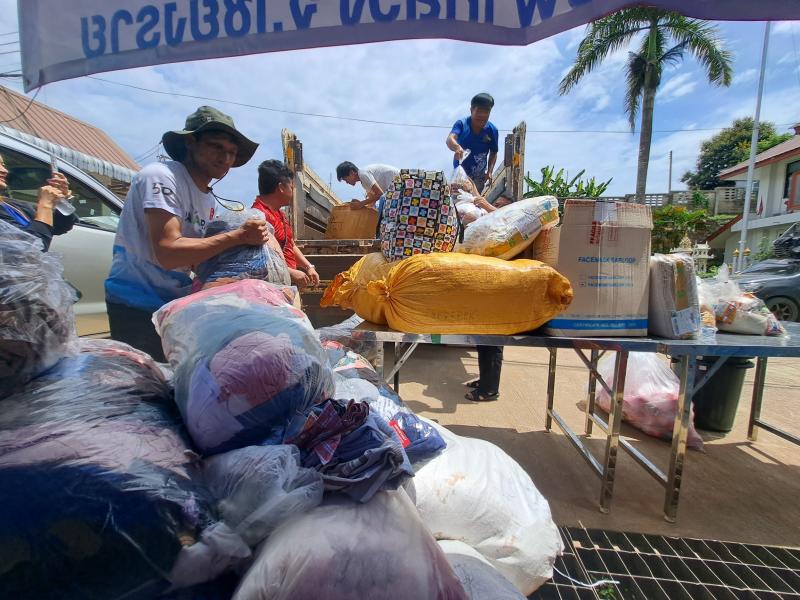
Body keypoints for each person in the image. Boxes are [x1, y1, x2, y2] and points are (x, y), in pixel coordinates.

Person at [105, 106, 268, 361]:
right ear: (191, 142)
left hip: (173, 307)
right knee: (147, 381)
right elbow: (169, 252)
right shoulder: (161, 177)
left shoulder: (208, 199)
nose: (225, 158)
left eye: (231, 152)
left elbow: (197, 258)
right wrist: (238, 237)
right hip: (136, 305)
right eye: (216, 147)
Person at [252, 159, 320, 288]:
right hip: (270, 288)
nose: (293, 191)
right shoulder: (258, 217)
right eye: (291, 187)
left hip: (284, 283)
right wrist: (291, 273)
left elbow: (290, 244)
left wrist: (309, 266)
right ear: (281, 188)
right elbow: (258, 260)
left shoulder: (280, 214)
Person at [0, 153, 75, 251]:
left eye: (3, 165)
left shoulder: (8, 204)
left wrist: (61, 200)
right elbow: (33, 248)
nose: (4, 170)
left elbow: (58, 226)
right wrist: (45, 205)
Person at [446, 93, 499, 194]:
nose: (482, 115)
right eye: (479, 111)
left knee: (475, 200)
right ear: (471, 110)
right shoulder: (462, 124)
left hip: (479, 178)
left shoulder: (492, 130)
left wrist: (490, 171)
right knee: (460, 199)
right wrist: (457, 147)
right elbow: (450, 139)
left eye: (486, 111)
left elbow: (494, 152)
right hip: (460, 176)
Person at [336, 161, 400, 236]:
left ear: (351, 172)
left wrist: (360, 204)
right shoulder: (364, 183)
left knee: (383, 216)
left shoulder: (363, 174)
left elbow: (379, 194)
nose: (346, 182)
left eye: (345, 179)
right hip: (394, 190)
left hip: (400, 183)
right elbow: (371, 202)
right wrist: (361, 207)